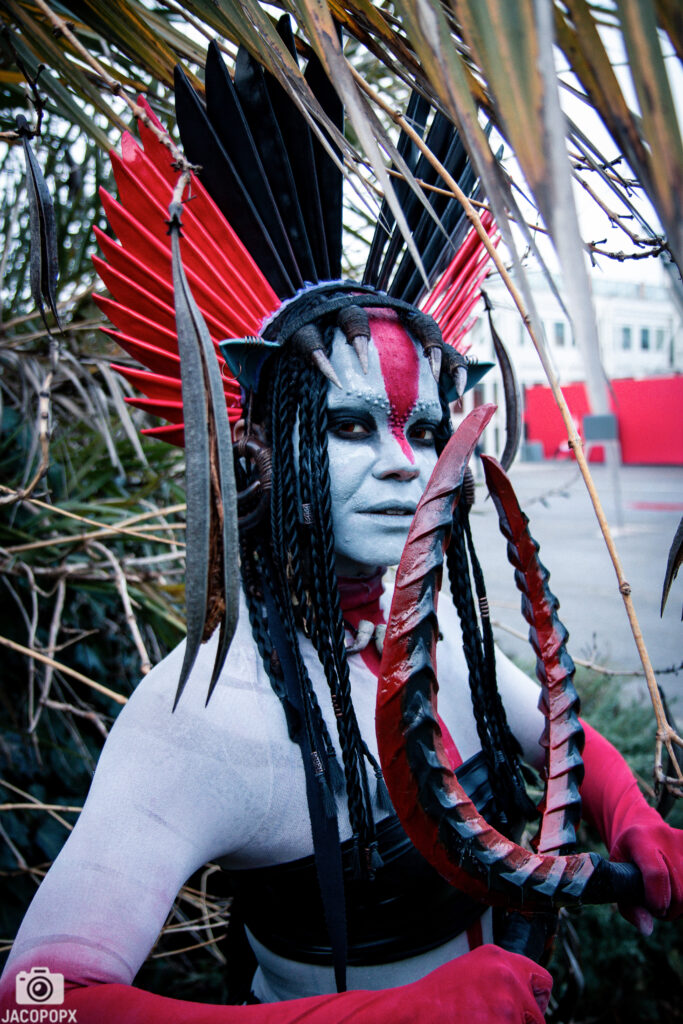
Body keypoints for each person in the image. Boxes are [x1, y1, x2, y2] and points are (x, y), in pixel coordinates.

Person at [1, 29, 680, 1024]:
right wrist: (398, 1013)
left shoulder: (426, 638)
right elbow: (38, 998)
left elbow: (547, 725)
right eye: (351, 425)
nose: (404, 462)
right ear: (260, 450)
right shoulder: (201, 713)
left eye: (421, 429)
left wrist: (631, 815)